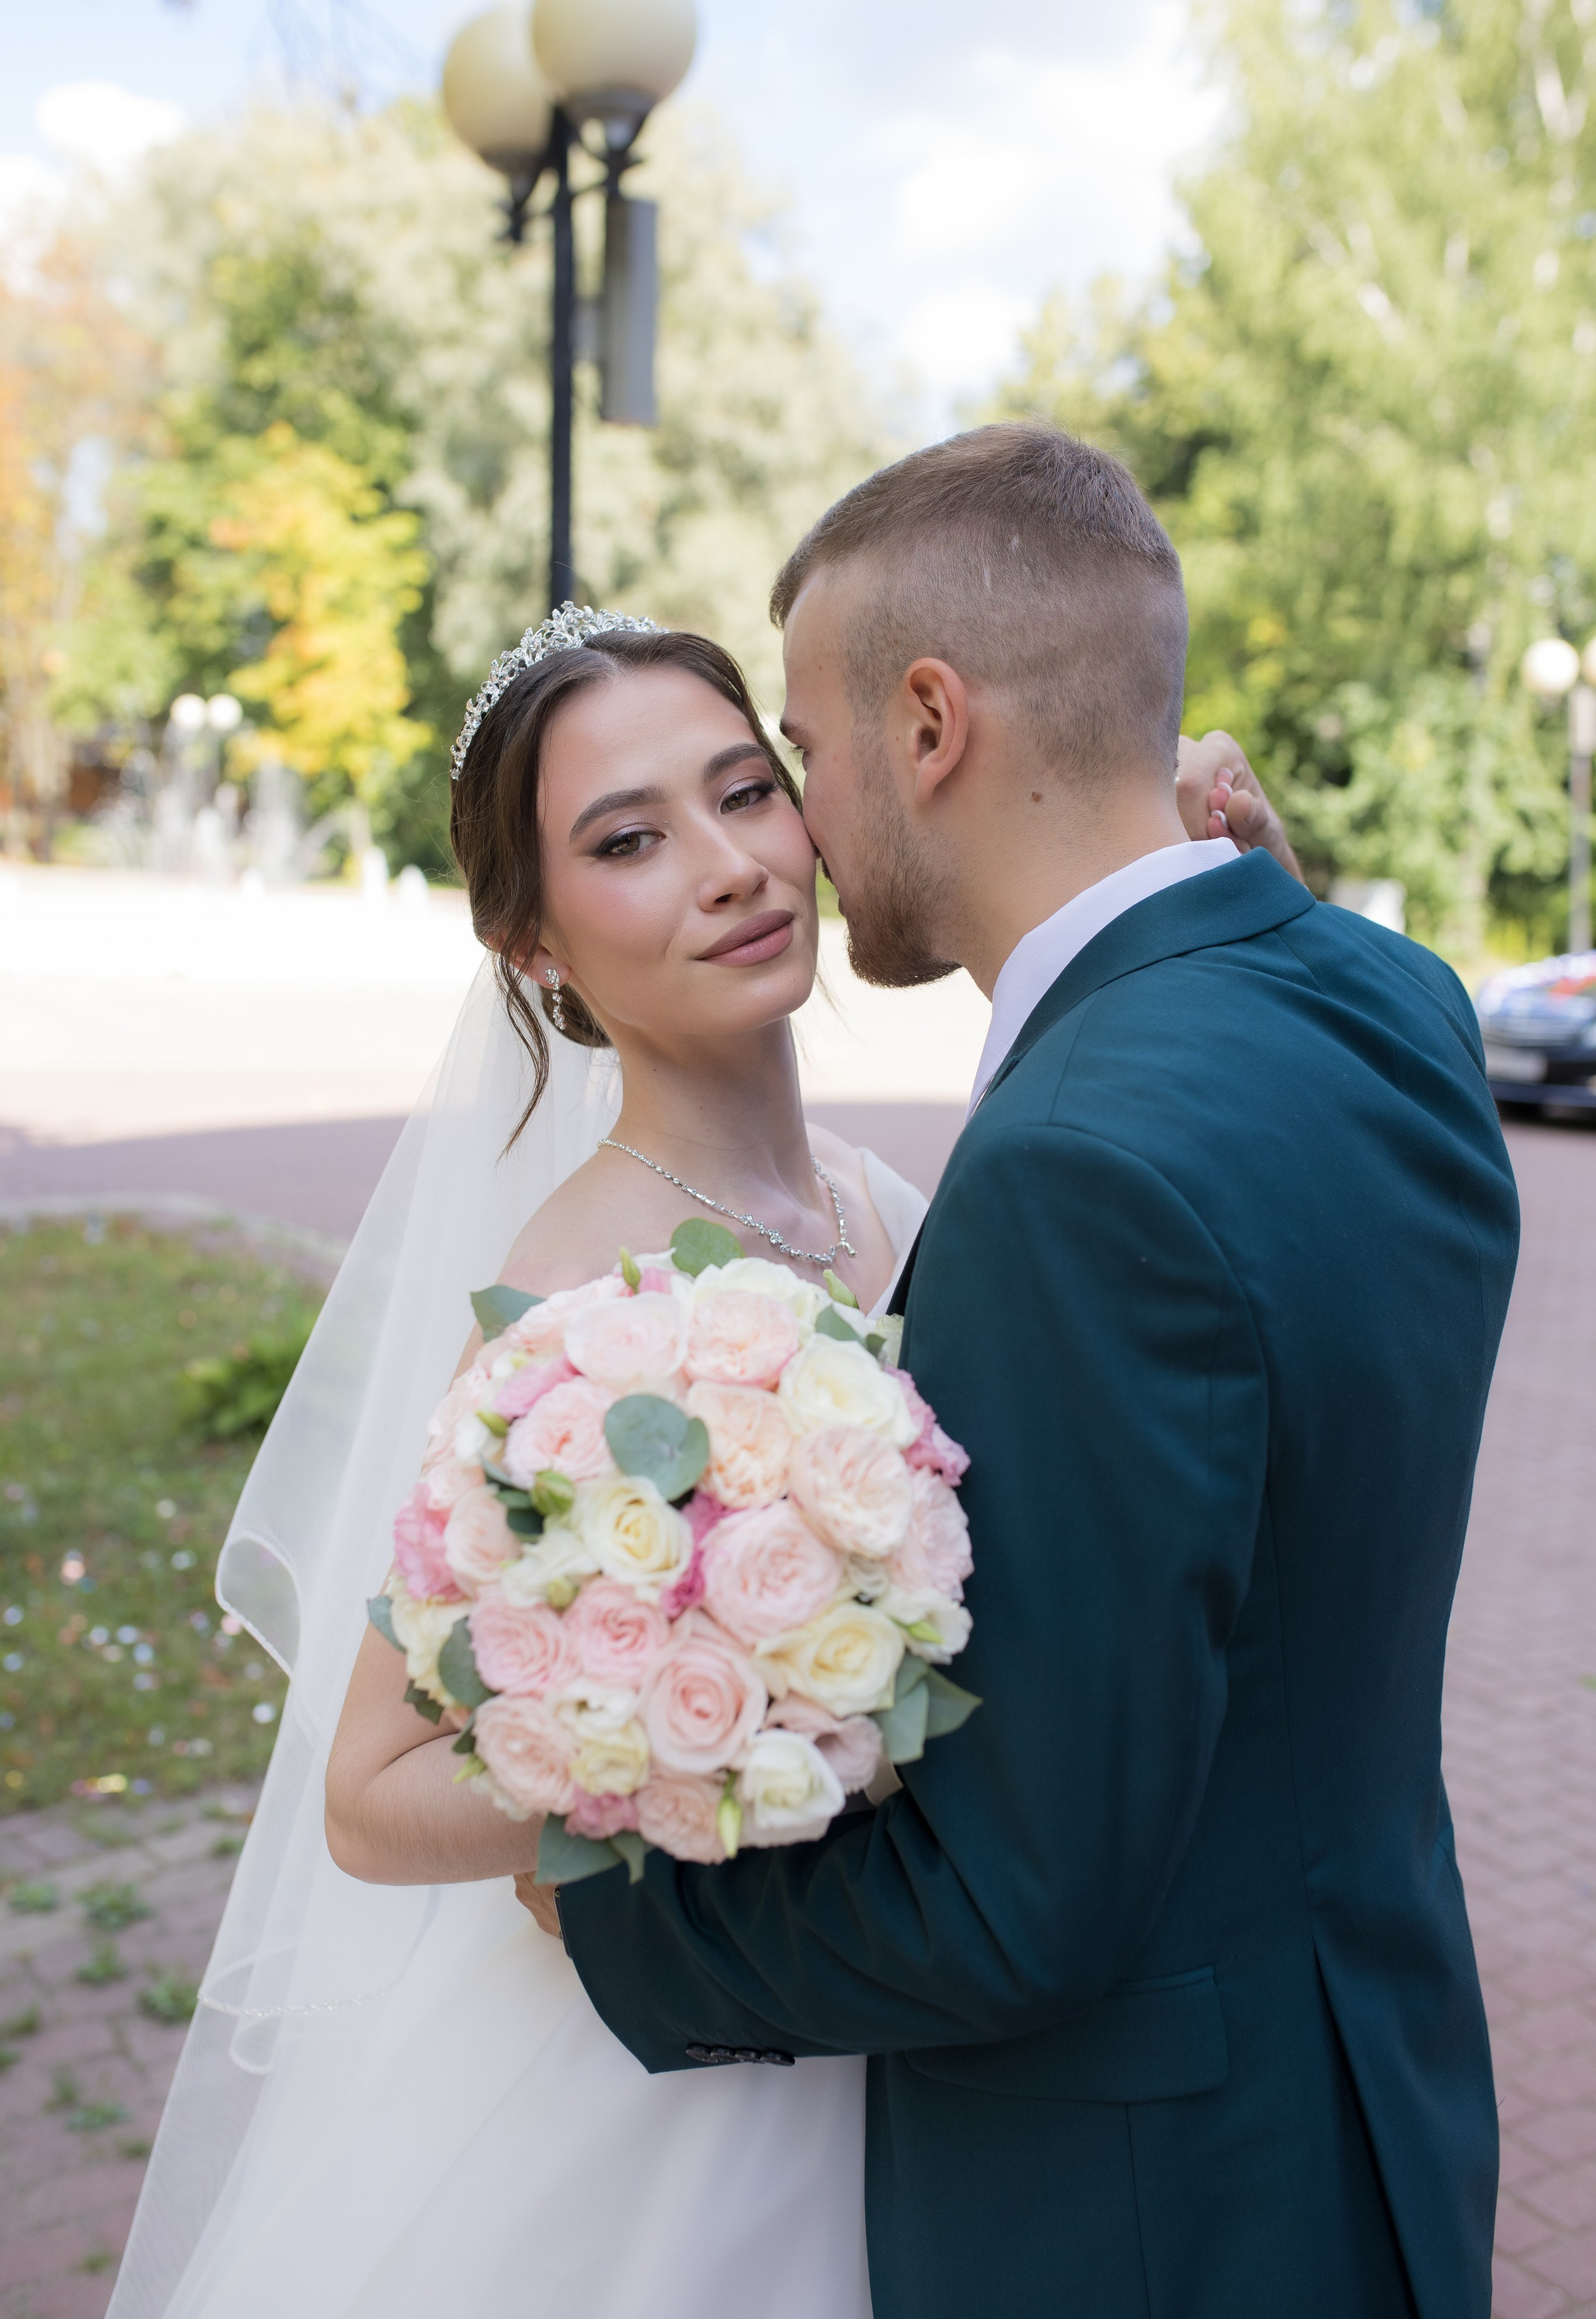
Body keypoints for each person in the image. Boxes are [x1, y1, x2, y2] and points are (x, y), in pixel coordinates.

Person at [106, 538, 1294, 2318]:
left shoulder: (906, 1205)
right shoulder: (572, 1296)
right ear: (535, 944)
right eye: (629, 840)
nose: (729, 866)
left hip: (914, 2024)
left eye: (750, 790)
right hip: (669, 2101)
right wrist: (713, 1740)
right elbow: (371, 1791)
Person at [525, 427, 1521, 2319]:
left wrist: (602, 1913)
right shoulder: (1389, 1003)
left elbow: (1020, 1899)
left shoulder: (1076, 1170)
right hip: (1378, 2087)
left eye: (796, 756)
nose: (793, 833)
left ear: (928, 726)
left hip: (1149, 2204)